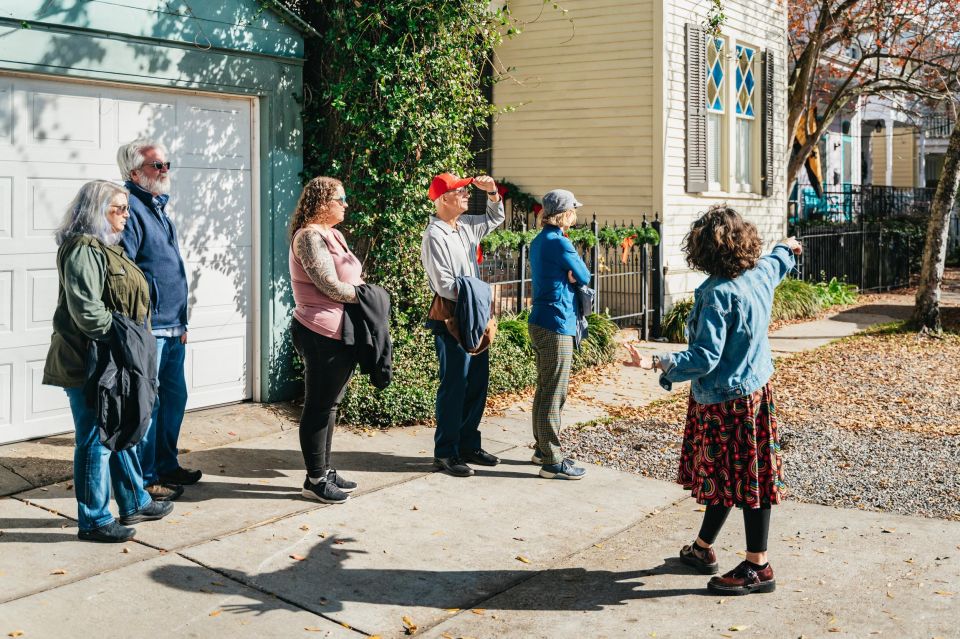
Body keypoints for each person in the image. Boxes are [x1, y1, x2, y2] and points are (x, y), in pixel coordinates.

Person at [625, 205, 801, 596]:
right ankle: (703, 549)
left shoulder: (715, 295)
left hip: (727, 404)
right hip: (755, 394)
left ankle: (759, 566)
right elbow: (777, 260)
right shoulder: (758, 276)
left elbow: (705, 357)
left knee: (746, 481)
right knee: (732, 479)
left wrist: (656, 360)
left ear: (703, 249)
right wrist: (788, 247)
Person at [43, 180, 173, 542]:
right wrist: (123, 338)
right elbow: (87, 311)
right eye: (119, 209)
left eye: (127, 209)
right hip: (90, 360)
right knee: (94, 439)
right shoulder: (82, 249)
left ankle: (134, 500)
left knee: (119, 429)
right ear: (96, 211)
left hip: (112, 359)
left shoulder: (107, 247)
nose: (126, 216)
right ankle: (95, 520)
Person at [116, 139, 200, 502]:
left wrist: (181, 322)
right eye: (156, 166)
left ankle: (167, 463)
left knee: (174, 398)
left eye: (166, 165)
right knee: (147, 406)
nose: (164, 171)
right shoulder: (131, 208)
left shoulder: (159, 207)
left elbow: (171, 269)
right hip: (150, 329)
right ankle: (148, 477)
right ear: (135, 173)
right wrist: (140, 324)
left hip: (172, 327)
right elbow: (126, 271)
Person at [421, 173, 504, 477]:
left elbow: (495, 218)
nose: (468, 195)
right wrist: (479, 292)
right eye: (461, 192)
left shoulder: (465, 227)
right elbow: (444, 285)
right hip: (452, 316)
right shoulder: (435, 236)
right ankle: (446, 452)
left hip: (476, 312)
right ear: (444, 198)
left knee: (477, 384)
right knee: (454, 386)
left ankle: (468, 444)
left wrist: (493, 191)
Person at [288, 176, 363, 504]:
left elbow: (351, 276)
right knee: (319, 406)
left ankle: (325, 470)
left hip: (339, 330)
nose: (345, 204)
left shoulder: (333, 234)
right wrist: (368, 296)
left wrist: (361, 291)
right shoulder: (308, 238)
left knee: (331, 404)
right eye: (340, 199)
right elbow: (329, 285)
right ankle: (314, 480)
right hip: (318, 331)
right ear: (321, 203)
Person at [527, 189, 591, 480]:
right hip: (557, 323)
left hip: (539, 320)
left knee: (544, 389)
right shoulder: (561, 243)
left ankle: (542, 449)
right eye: (573, 210)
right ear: (564, 214)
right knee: (555, 393)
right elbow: (586, 275)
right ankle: (552, 460)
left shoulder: (539, 241)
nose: (576, 215)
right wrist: (573, 273)